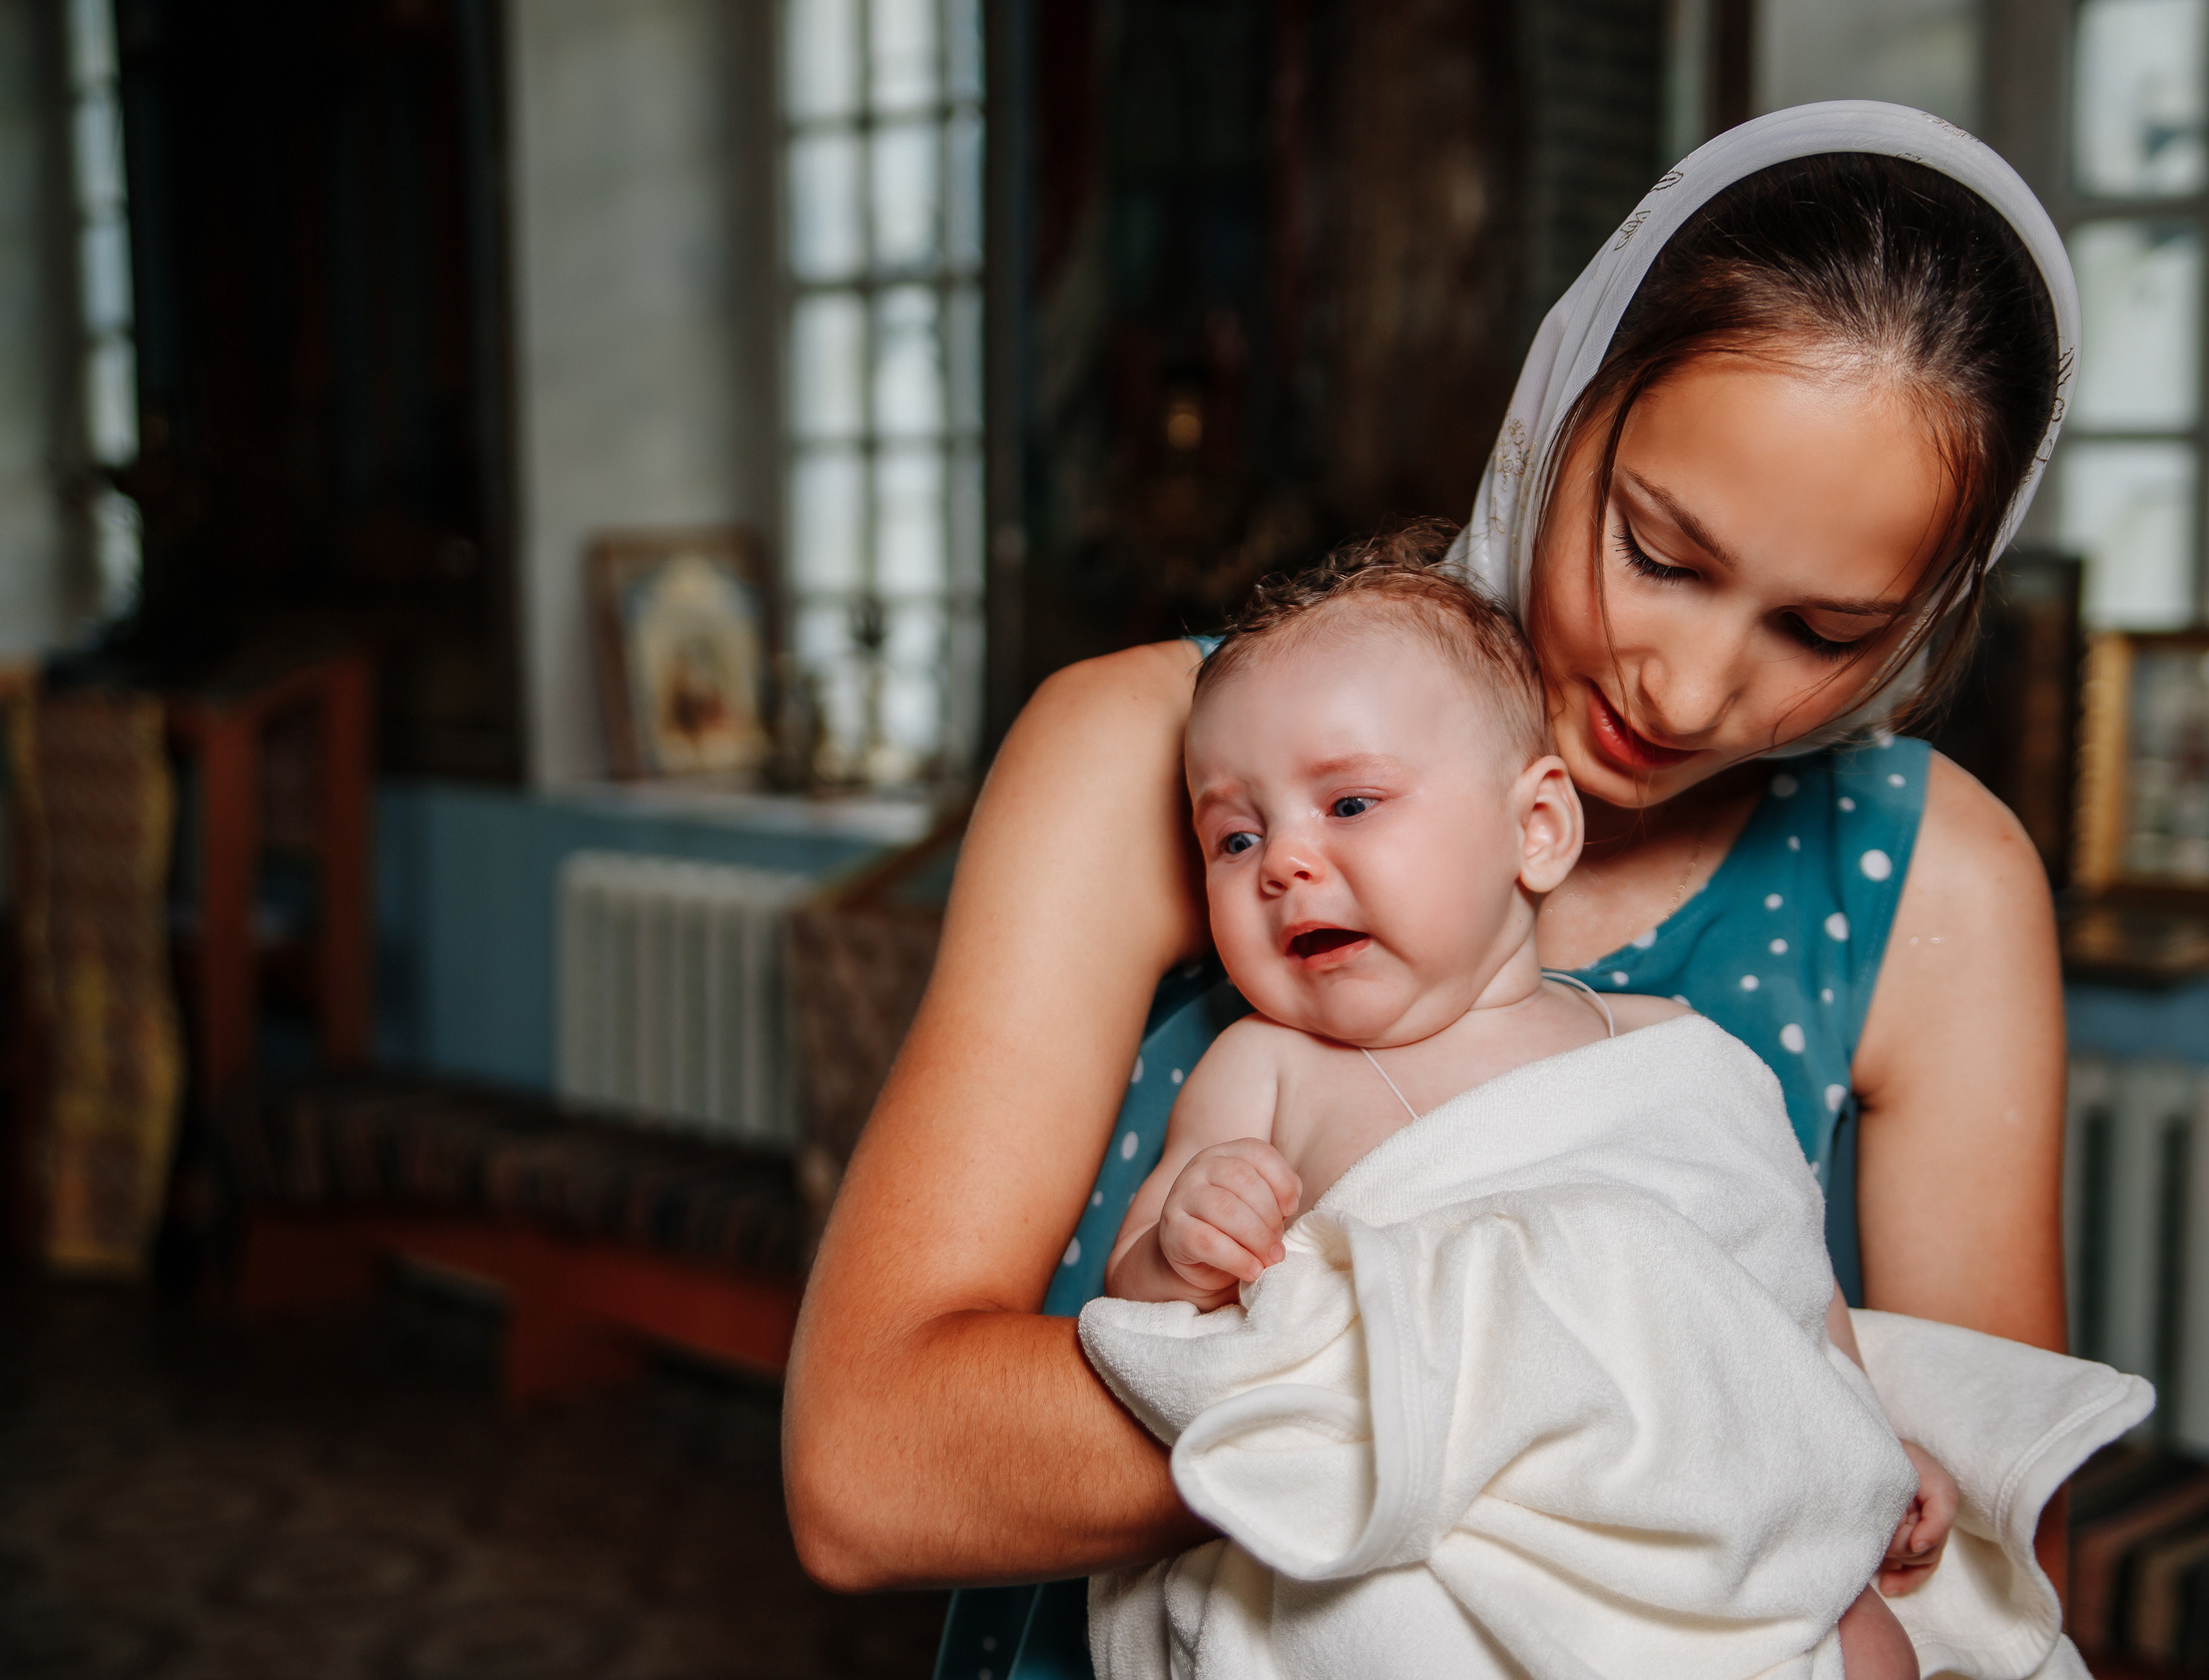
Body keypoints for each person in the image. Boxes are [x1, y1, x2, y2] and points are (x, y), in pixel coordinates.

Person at [781, 103, 2078, 1680]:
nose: (1688, 684)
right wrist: (1567, 1404)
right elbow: (867, 1467)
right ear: (1563, 394)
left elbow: (1986, 1569)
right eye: (1657, 550)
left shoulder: (1936, 875)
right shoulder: (1162, 753)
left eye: (1824, 631)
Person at [1089, 545, 1955, 1680]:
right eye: (1234, 836)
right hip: (1453, 1554)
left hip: (1704, 1508)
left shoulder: (1667, 1050)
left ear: (1536, 830)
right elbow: (1137, 1300)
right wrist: (1188, 1241)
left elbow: (1781, 1284)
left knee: (1860, 1633)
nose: (1286, 864)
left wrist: (1858, 1440)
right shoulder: (1269, 1068)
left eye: (1351, 802)